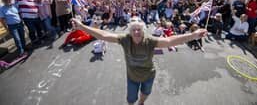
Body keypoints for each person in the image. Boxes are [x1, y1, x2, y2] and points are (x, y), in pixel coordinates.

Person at [71, 16, 207, 105]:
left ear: (143, 31)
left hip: (148, 75)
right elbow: (105, 35)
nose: (136, 32)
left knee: (145, 94)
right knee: (131, 100)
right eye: (134, 30)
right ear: (130, 31)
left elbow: (170, 40)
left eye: (139, 30)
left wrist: (193, 35)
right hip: (132, 77)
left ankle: (141, 103)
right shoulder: (125, 40)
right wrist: (82, 27)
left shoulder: (150, 41)